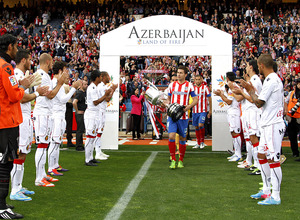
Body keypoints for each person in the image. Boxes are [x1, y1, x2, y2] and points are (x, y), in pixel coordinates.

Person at [241, 54, 285, 205]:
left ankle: (276, 196)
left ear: (260, 65)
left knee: (273, 159)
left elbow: (258, 103)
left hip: (273, 124)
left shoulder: (271, 80)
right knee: (261, 155)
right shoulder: (271, 79)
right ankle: (266, 190)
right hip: (268, 123)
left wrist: (250, 89)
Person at [0, 34, 35, 219]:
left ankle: (2, 203)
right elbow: (14, 96)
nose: (16, 49)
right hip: (7, 121)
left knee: (4, 162)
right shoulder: (5, 67)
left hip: (4, 120)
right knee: (5, 164)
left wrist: (18, 84)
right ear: (10, 47)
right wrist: (22, 87)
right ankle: (1, 207)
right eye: (15, 46)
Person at [10, 49, 48, 202]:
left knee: (23, 153)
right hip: (20, 118)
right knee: (19, 154)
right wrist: (37, 93)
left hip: (25, 117)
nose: (32, 62)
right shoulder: (17, 75)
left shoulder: (20, 75)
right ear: (24, 60)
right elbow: (21, 98)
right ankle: (14, 190)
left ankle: (18, 186)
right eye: (30, 59)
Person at [33, 53, 67, 187]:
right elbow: (50, 95)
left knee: (44, 145)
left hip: (45, 112)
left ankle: (42, 175)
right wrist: (59, 84)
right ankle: (39, 178)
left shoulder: (43, 75)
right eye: (51, 62)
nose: (52, 64)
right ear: (48, 62)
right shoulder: (42, 75)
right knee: (42, 146)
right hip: (42, 112)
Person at [47, 61, 82, 176]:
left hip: (60, 115)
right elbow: (62, 99)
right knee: (54, 141)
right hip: (56, 115)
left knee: (58, 142)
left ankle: (55, 165)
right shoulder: (55, 83)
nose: (68, 73)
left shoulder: (59, 83)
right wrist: (73, 88)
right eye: (66, 70)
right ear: (61, 71)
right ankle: (51, 168)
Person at [231, 60, 262, 175]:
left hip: (253, 111)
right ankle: (254, 163)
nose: (246, 68)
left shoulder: (255, 80)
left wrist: (240, 91)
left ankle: (258, 165)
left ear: (252, 67)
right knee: (250, 138)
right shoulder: (253, 80)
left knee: (253, 138)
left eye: (248, 66)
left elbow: (251, 98)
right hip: (249, 111)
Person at [166, 65, 198, 169]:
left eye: (180, 73)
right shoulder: (172, 85)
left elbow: (196, 100)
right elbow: (168, 98)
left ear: (185, 74)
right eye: (177, 73)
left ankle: (181, 160)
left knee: (182, 138)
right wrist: (168, 106)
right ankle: (173, 159)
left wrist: (186, 108)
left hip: (183, 116)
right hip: (172, 116)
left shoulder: (189, 85)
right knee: (171, 136)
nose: (178, 74)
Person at [84, 70, 112, 166]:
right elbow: (95, 102)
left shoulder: (94, 87)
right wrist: (105, 95)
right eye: (100, 77)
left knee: (93, 137)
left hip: (94, 114)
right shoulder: (92, 88)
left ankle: (91, 158)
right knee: (90, 137)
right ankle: (87, 159)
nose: (101, 78)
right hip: (91, 114)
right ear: (97, 78)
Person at [214, 72, 242, 162]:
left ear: (228, 79)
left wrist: (220, 95)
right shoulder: (233, 87)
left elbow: (229, 102)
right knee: (233, 133)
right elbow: (230, 100)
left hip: (234, 112)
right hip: (233, 112)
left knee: (235, 133)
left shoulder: (232, 87)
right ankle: (236, 153)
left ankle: (238, 154)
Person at [94, 71, 117, 160]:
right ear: (103, 77)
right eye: (107, 76)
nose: (109, 78)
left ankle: (99, 151)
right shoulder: (101, 87)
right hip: (100, 110)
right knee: (98, 131)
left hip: (102, 110)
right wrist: (113, 90)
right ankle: (97, 152)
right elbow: (107, 99)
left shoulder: (102, 86)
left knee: (100, 131)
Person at [192, 74, 212, 149]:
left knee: (201, 124)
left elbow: (209, 98)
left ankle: (202, 142)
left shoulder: (205, 88)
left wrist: (210, 110)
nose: (197, 81)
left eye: (199, 79)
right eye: (196, 79)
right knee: (196, 126)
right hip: (195, 110)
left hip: (203, 110)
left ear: (201, 80)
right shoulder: (193, 89)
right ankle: (198, 142)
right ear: (194, 80)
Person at [284, 78, 300, 161]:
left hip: (299, 117)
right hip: (291, 117)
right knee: (292, 136)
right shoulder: (291, 93)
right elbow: (285, 101)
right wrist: (286, 111)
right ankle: (295, 152)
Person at [73, 80, 88, 151]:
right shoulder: (80, 93)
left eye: (87, 84)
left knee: (81, 130)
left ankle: (80, 145)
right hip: (80, 113)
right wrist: (77, 111)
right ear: (81, 85)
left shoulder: (83, 93)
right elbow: (74, 102)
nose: (86, 85)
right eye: (85, 84)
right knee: (79, 130)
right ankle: (78, 146)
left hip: (83, 113)